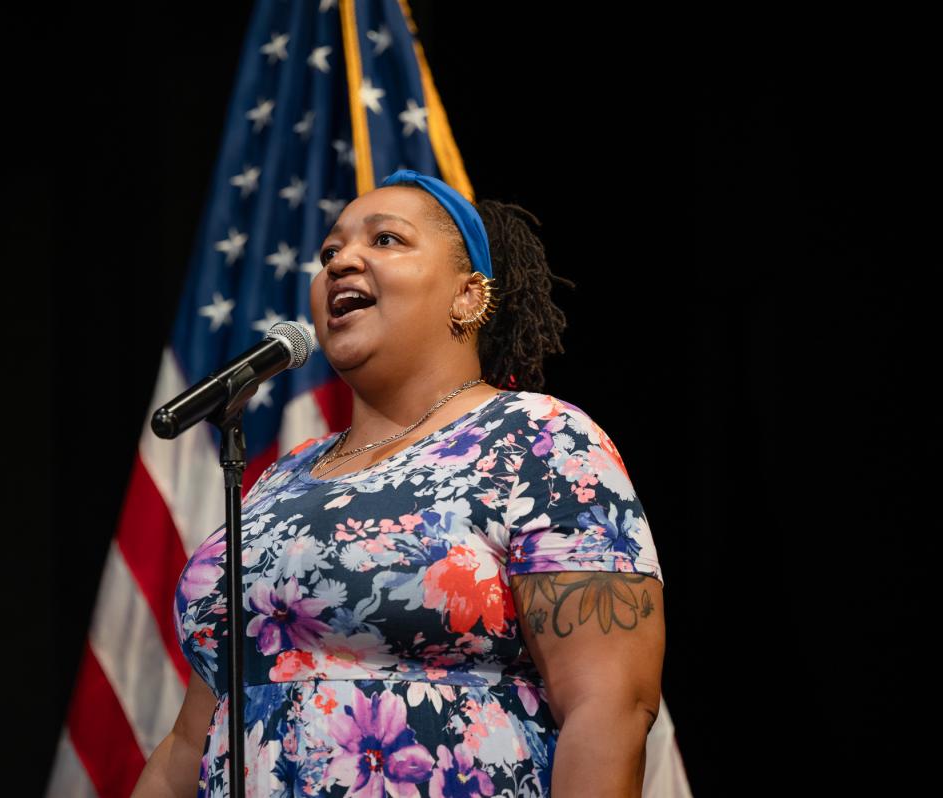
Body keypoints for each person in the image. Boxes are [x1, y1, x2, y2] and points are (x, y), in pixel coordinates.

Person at [137, 169, 667, 797]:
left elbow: (609, 706)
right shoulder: (283, 478)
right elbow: (193, 737)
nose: (342, 262)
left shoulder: (538, 438)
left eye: (386, 240)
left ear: (469, 295)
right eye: (329, 253)